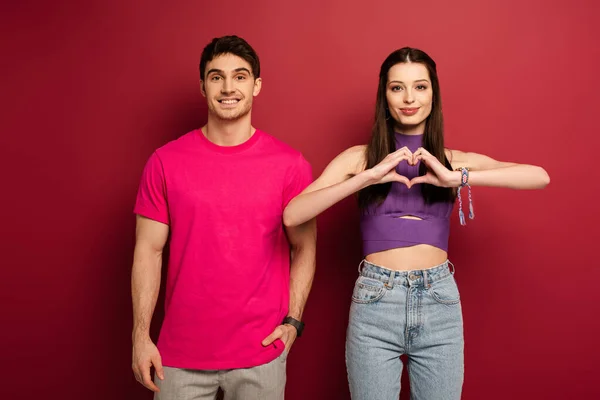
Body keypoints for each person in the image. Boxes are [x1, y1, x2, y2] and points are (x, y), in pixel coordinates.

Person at [282, 47, 550, 400]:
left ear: (433, 93)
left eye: (420, 87)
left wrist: (458, 178)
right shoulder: (358, 158)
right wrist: (366, 177)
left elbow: (539, 176)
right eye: (397, 88)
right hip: (376, 300)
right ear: (385, 96)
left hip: (438, 299)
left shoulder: (451, 160)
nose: (409, 98)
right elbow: (293, 214)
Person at [130, 35, 316, 400]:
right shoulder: (165, 162)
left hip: (261, 355)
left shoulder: (290, 165)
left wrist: (293, 322)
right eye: (216, 77)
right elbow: (147, 251)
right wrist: (140, 335)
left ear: (256, 85)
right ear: (203, 86)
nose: (228, 87)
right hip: (179, 358)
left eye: (240, 76)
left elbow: (305, 249)